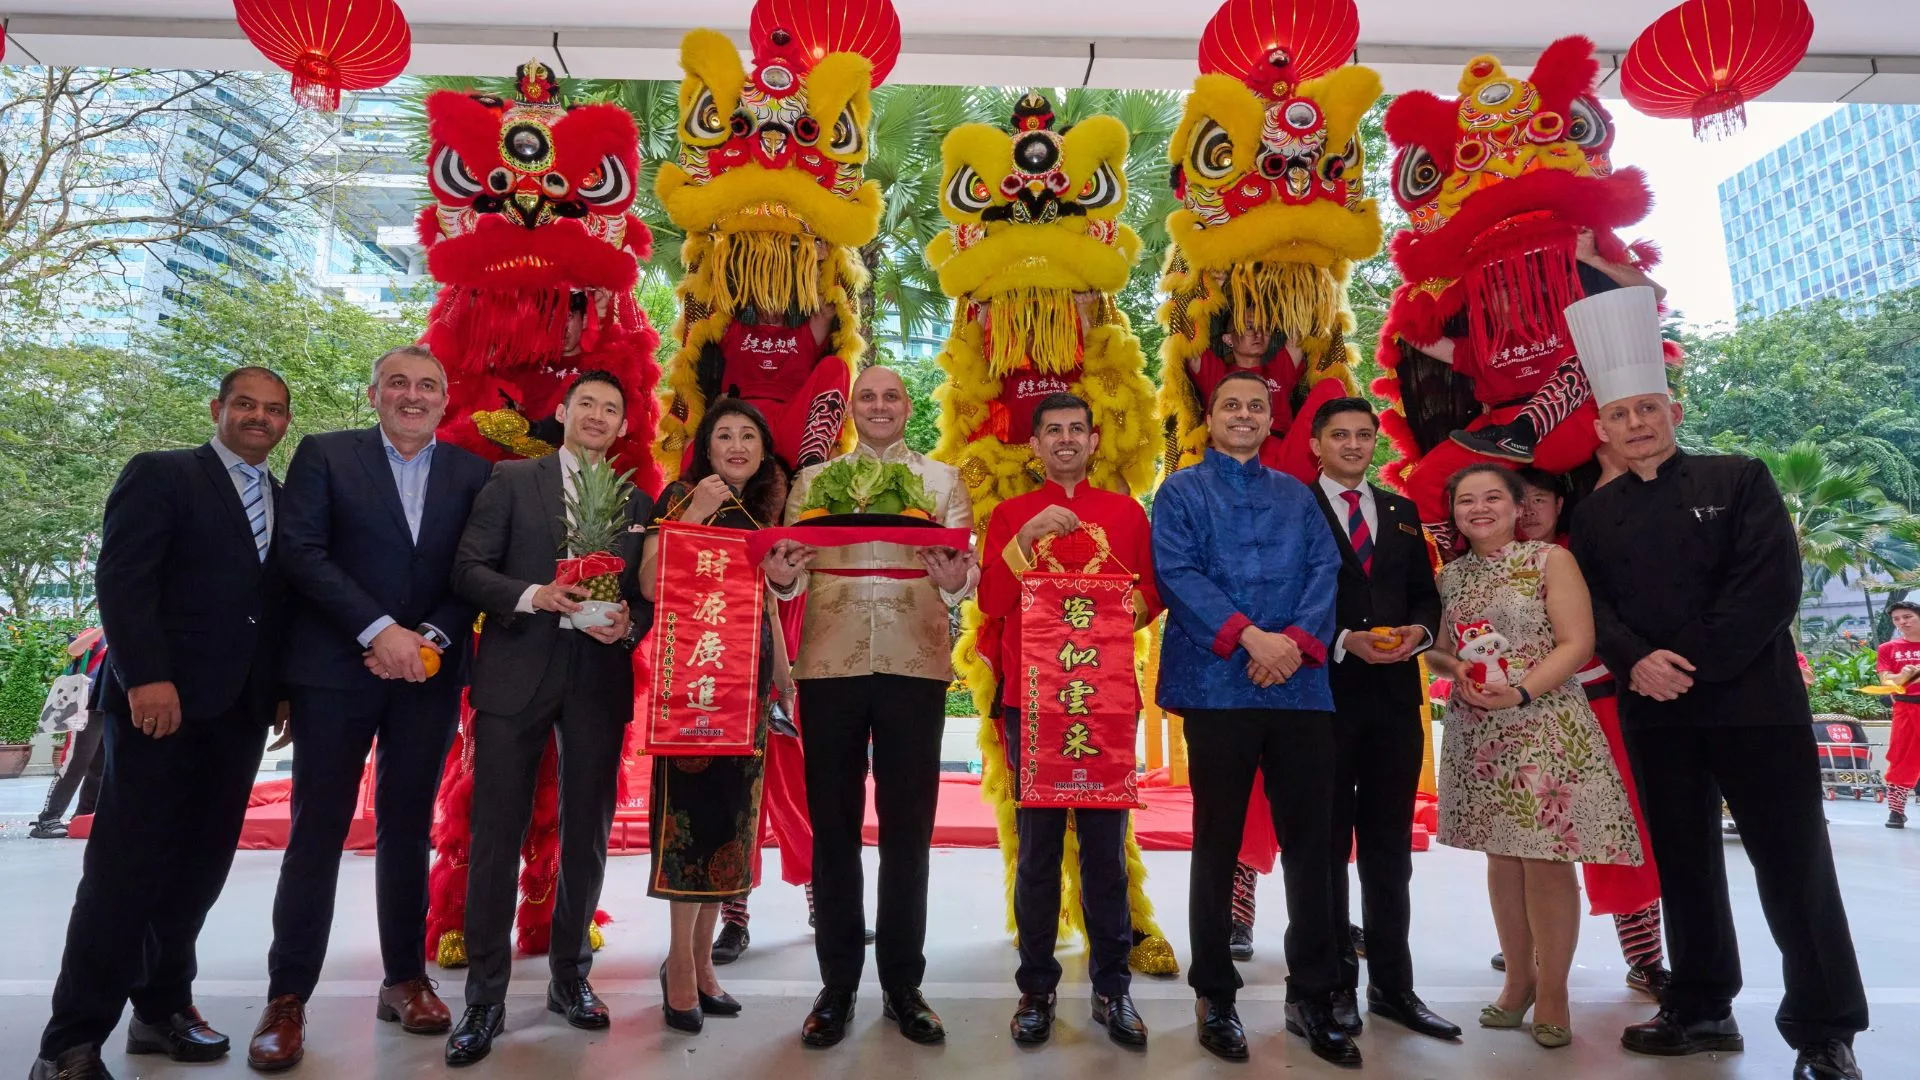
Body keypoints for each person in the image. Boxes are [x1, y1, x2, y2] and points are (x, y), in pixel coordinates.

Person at [1565, 286, 1867, 1080]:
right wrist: (1636, 661)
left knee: (1794, 866)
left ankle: (1825, 1031)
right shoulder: (1592, 516)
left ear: (1673, 411)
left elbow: (1766, 589)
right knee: (1684, 864)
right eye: (1620, 414)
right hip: (1654, 713)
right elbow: (1591, 604)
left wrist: (1680, 664)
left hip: (1755, 707)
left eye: (1648, 408)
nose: (1636, 423)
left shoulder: (1739, 479)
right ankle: (1700, 1007)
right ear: (1602, 429)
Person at [32, 367, 292, 1080]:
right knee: (126, 872)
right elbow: (123, 579)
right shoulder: (162, 474)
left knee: (198, 871)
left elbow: (275, 607)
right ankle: (69, 1042)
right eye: (246, 404)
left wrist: (281, 692)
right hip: (158, 707)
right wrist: (146, 676)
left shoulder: (284, 498)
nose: (260, 417)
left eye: (274, 409)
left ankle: (161, 1008)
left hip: (240, 712)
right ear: (217, 409)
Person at [246, 346, 492, 1069]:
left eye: (427, 386)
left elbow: (474, 570)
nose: (413, 396)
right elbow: (302, 552)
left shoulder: (473, 473)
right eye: (398, 384)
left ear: (445, 400)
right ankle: (287, 997)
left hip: (426, 675)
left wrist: (429, 640)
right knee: (316, 832)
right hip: (334, 670)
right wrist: (379, 630)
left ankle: (405, 980)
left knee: (408, 828)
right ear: (373, 394)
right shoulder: (327, 455)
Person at [1151, 370, 1353, 1066]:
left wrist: (1291, 643)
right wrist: (1250, 638)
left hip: (1298, 687)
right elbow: (1178, 574)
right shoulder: (1181, 491)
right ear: (1209, 418)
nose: (1244, 415)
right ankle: (1215, 994)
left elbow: (1325, 573)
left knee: (1313, 847)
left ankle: (1314, 995)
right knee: (1217, 842)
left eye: (1256, 407)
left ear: (1272, 421)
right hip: (1218, 687)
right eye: (1230, 405)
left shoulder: (1297, 495)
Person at [443, 370, 642, 1067]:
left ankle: (570, 978)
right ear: (562, 412)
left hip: (597, 679)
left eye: (611, 409)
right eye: (586, 403)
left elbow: (648, 596)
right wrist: (535, 594)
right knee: (496, 835)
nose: (597, 415)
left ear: (623, 425)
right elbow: (468, 571)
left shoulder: (636, 500)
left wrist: (629, 624)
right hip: (515, 673)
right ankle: (484, 997)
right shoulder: (511, 481)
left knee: (587, 835)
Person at [781, 365, 977, 1048]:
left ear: (908, 406)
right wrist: (780, 578)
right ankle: (836, 985)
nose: (879, 405)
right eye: (867, 396)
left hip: (914, 662)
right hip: (828, 662)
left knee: (908, 830)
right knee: (832, 828)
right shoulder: (813, 482)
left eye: (891, 396)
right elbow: (788, 570)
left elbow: (965, 572)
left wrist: (956, 582)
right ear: (852, 410)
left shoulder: (943, 481)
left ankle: (903, 984)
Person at [1431, 463, 1643, 1051]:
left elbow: (1578, 642)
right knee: (1502, 856)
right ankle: (1518, 981)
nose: (1479, 509)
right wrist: (1459, 672)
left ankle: (1553, 991)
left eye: (1492, 498)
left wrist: (1522, 691)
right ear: (1454, 513)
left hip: (1543, 721)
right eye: (1466, 500)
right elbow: (1440, 651)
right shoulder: (1450, 576)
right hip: (1480, 728)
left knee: (1547, 859)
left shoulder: (1551, 560)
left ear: (1517, 507)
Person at [976, 393, 1160, 1049]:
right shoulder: (1011, 516)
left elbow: (1152, 591)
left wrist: (1125, 612)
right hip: (1034, 702)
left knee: (1106, 853)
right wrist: (1026, 540)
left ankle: (1113, 989)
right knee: (1039, 852)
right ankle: (1036, 988)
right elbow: (991, 599)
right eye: (1052, 430)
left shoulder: (1126, 513)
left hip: (1101, 700)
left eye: (1076, 429)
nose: (1065, 439)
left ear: (1093, 441)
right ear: (1034, 446)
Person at [634, 398, 816, 1035]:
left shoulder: (763, 511)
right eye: (724, 436)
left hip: (749, 686)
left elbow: (764, 599)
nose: (737, 446)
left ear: (763, 452)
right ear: (705, 448)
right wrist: (694, 516)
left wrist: (783, 672)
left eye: (748, 437)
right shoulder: (678, 498)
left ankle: (705, 962)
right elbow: (651, 584)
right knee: (687, 829)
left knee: (732, 829)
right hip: (693, 691)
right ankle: (680, 965)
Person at [1301, 397, 1460, 1041]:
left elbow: (1425, 593)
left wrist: (1420, 632)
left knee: (1390, 850)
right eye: (1339, 435)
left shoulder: (1400, 512)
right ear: (1316, 445)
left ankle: (1394, 987)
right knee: (1325, 847)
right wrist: (1344, 639)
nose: (1353, 445)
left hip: (1394, 700)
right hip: (1322, 696)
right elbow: (1284, 596)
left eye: (1364, 435)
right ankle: (1332, 986)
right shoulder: (1295, 508)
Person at [1485, 466, 1669, 998]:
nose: (1528, 511)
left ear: (1561, 505)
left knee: (1622, 831)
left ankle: (1645, 957)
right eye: (1518, 500)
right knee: (1528, 836)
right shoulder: (1483, 564)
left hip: (1599, 706)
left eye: (1539, 499)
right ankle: (1530, 948)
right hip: (1519, 717)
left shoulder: (1589, 554)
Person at [29, 634, 109, 840]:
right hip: (85, 707)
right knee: (75, 763)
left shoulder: (126, 633)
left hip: (108, 708)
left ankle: (83, 816)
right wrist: (102, 627)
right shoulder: (99, 633)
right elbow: (74, 650)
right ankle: (47, 819)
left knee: (100, 765)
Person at [1876, 599, 1920, 829]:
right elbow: (1886, 680)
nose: (1902, 622)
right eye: (1897, 619)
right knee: (1901, 758)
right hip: (1906, 707)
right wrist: (1903, 676)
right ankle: (1896, 812)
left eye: (1907, 617)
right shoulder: (1888, 648)